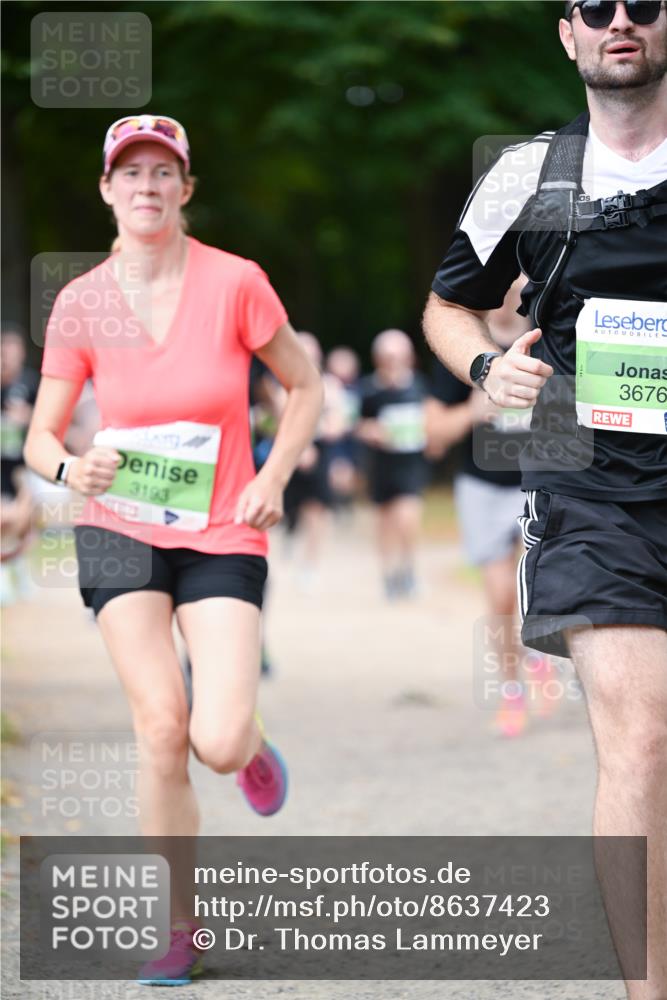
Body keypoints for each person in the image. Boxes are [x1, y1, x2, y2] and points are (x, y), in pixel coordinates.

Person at [24, 114, 322, 985]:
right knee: (160, 728)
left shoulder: (236, 284)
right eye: (131, 173)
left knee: (216, 740)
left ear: (185, 189)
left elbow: (301, 387)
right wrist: (72, 466)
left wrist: (274, 477)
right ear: (108, 190)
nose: (146, 187)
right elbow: (41, 437)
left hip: (223, 527)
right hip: (117, 525)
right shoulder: (81, 301)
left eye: (163, 173)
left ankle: (251, 748)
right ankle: (180, 929)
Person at [423, 4, 666, 995]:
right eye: (594, 4)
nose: (620, 20)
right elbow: (446, 303)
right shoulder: (528, 174)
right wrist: (488, 367)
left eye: (643, 2)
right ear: (566, 34)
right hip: (588, 478)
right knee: (638, 731)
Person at [426, 277, 553, 738]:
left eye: (523, 285)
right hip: (481, 487)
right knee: (501, 594)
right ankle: (512, 689)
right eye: (506, 282)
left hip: (535, 482)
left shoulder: (550, 341)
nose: (514, 293)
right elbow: (432, 431)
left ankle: (539, 654)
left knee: (537, 584)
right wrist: (473, 412)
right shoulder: (464, 348)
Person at [357, 329, 429, 599]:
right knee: (385, 523)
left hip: (411, 465)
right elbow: (357, 423)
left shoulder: (419, 386)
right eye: (389, 357)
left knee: (408, 519)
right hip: (381, 466)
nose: (394, 362)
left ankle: (409, 569)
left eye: (400, 356)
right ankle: (388, 575)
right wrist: (371, 430)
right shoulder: (370, 390)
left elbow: (431, 418)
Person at [1, 325, 39, 603]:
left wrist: (30, 418)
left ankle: (19, 568)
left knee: (24, 522)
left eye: (14, 351)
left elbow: (53, 420)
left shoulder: (31, 383)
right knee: (3, 520)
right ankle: (4, 579)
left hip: (26, 465)